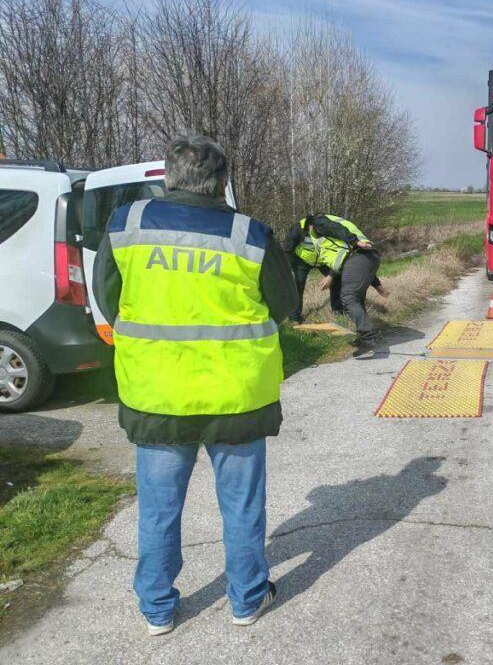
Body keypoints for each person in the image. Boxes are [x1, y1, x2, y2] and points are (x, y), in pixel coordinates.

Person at [93, 136, 298, 636]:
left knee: (159, 509)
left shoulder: (129, 225)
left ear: (167, 178)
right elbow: (285, 304)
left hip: (158, 395)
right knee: (242, 506)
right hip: (236, 396)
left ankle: (158, 609)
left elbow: (105, 296)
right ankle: (247, 600)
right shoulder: (249, 234)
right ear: (223, 183)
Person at [297, 214, 388, 358]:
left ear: (309, 226)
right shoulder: (336, 233)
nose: (309, 235)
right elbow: (346, 257)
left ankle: (368, 337)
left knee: (348, 298)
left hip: (357, 257)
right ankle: (364, 336)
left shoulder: (317, 222)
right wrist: (376, 284)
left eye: (307, 232)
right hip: (367, 257)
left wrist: (355, 241)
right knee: (356, 300)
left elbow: (334, 229)